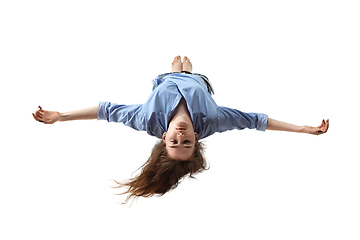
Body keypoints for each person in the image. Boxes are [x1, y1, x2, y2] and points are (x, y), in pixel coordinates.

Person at [32, 56, 329, 204]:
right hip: (200, 81)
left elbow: (104, 110)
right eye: (186, 142)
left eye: (174, 141)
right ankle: (186, 72)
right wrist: (303, 129)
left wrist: (60, 116)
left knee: (176, 65)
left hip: (165, 80)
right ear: (196, 138)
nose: (181, 135)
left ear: (164, 138)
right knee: (189, 67)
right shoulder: (213, 121)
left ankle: (177, 72)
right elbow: (257, 121)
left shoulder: (146, 119)